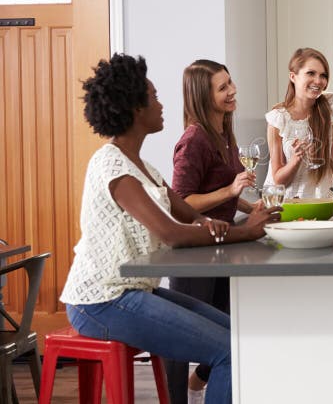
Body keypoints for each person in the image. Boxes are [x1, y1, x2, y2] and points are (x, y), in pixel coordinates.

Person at [60, 54, 280, 404]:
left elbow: (191, 215)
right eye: (154, 97)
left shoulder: (144, 167)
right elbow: (172, 233)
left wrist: (244, 218)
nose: (162, 105)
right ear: (134, 108)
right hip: (101, 300)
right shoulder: (112, 167)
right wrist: (244, 232)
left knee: (238, 337)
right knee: (228, 352)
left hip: (131, 291)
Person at [165, 59, 260, 404]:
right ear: (202, 97)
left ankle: (203, 379)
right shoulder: (194, 139)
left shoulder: (223, 133)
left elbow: (228, 193)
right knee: (177, 340)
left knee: (228, 324)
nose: (232, 91)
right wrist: (231, 192)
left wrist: (255, 209)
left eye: (230, 83)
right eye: (223, 88)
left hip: (218, 246)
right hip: (194, 253)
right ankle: (175, 397)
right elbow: (180, 201)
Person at [265, 48, 333, 199]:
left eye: (323, 75)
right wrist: (295, 160)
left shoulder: (332, 107)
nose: (318, 81)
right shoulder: (278, 119)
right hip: (285, 205)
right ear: (293, 77)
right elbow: (278, 181)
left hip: (320, 203)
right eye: (311, 73)